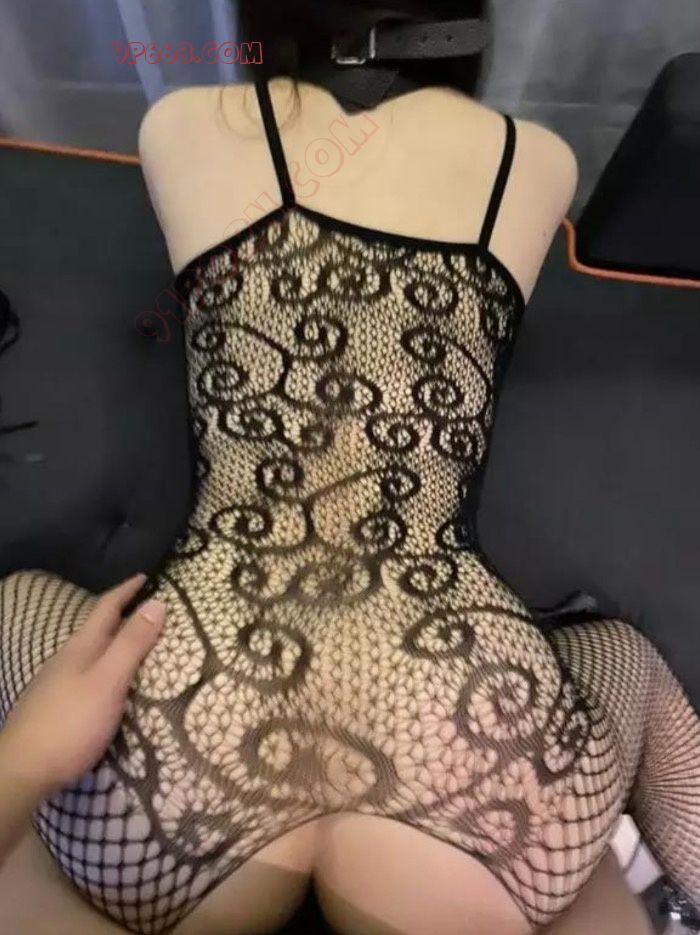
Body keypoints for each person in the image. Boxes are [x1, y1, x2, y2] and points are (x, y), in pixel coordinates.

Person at [1, 1, 696, 932]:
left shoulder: (179, 123)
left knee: (14, 606)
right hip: (469, 717)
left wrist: (25, 764)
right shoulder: (534, 158)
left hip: (191, 718)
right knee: (619, 657)